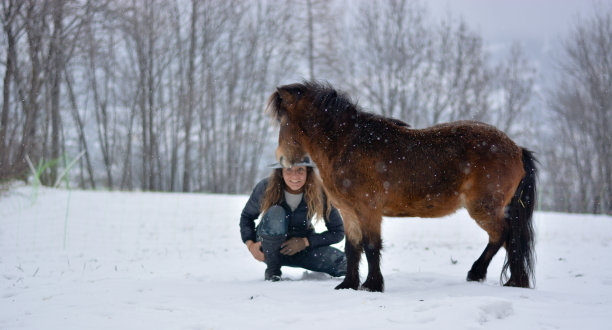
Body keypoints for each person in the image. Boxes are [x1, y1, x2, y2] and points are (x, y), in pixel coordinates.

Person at [239, 156, 347, 281]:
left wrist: (305, 242)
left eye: (300, 170)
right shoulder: (265, 187)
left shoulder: (320, 191)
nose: (295, 176)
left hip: (302, 249)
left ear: (308, 172)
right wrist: (250, 244)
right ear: (281, 172)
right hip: (269, 249)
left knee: (344, 263)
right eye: (288, 170)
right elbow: (246, 217)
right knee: (276, 212)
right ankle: (273, 270)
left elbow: (337, 232)